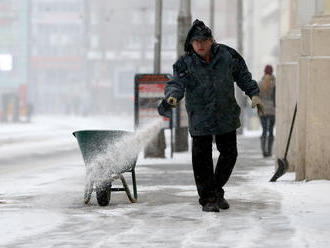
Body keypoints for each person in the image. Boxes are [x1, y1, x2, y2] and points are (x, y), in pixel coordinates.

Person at [158, 19, 264, 212]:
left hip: (225, 114)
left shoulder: (227, 55)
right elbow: (176, 83)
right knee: (202, 159)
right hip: (200, 116)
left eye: (203, 40)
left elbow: (243, 75)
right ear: (191, 43)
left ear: (211, 40)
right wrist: (172, 96)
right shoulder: (185, 63)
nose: (200, 44)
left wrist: (254, 94)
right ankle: (208, 199)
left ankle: (215, 190)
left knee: (230, 154)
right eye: (196, 41)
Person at [258, 65, 276, 157]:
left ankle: (263, 151)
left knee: (264, 130)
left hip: (262, 110)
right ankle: (269, 151)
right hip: (272, 110)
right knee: (271, 130)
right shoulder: (275, 84)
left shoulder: (260, 83)